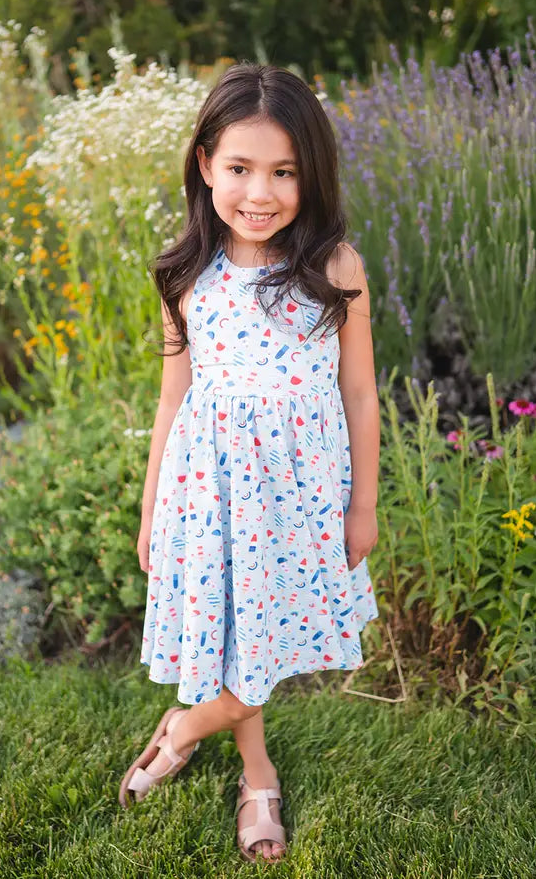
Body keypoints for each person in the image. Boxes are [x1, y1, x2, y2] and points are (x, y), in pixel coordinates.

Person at [118, 62, 380, 863]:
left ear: (312, 174)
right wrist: (151, 508)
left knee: (266, 638)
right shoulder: (187, 276)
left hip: (300, 501)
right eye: (240, 167)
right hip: (211, 494)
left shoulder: (334, 269)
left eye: (284, 172)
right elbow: (172, 398)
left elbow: (360, 392)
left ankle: (187, 726)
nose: (259, 192)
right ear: (206, 165)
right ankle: (257, 773)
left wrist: (363, 505)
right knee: (240, 632)